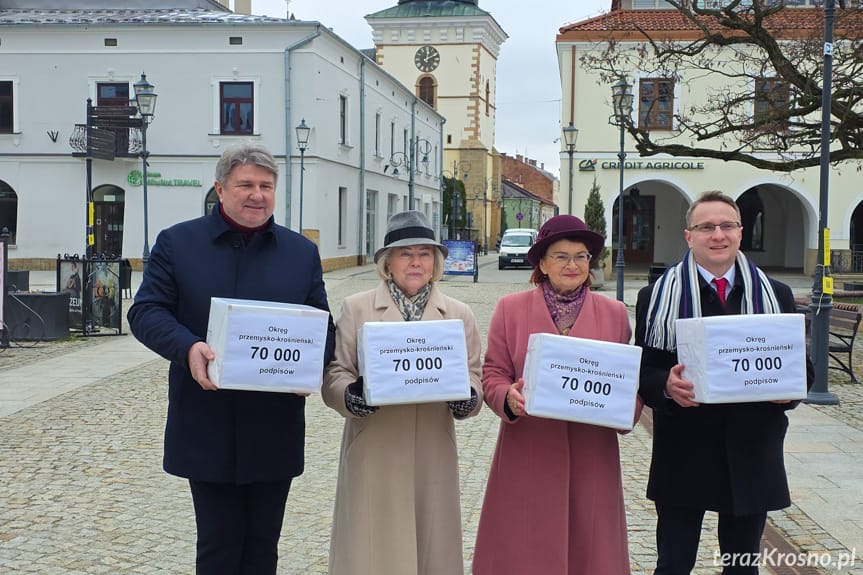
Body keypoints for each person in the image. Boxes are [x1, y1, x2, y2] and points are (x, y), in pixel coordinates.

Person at [127, 142, 336, 575]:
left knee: (263, 547)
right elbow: (146, 311)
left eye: (266, 186)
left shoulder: (300, 252)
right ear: (220, 189)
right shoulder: (177, 243)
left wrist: (311, 365)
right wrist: (188, 346)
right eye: (245, 185)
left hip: (274, 424)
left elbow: (322, 325)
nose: (257, 195)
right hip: (206, 420)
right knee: (218, 546)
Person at [634, 191, 812, 575]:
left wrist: (786, 393)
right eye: (706, 227)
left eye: (727, 226)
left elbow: (803, 370)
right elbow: (643, 369)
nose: (718, 235)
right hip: (684, 449)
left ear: (740, 232)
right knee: (673, 564)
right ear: (689, 236)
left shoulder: (776, 294)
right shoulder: (657, 296)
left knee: (743, 566)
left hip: (751, 450)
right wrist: (665, 384)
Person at [473, 214, 637, 575]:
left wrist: (627, 407)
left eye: (581, 257)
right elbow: (494, 372)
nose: (572, 265)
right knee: (524, 550)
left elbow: (628, 380)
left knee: (590, 549)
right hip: (529, 451)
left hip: (592, 453)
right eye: (561, 256)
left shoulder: (614, 314)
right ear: (543, 264)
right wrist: (506, 397)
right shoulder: (510, 309)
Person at [321, 210, 483, 575]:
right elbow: (335, 373)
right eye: (405, 254)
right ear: (387, 262)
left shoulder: (459, 314)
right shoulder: (357, 308)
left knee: (432, 547)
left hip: (432, 448)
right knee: (371, 549)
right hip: (375, 445)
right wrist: (350, 395)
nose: (415, 262)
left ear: (436, 262)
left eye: (424, 254)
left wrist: (468, 399)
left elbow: (475, 376)